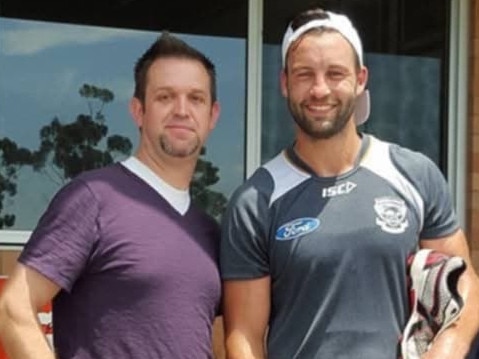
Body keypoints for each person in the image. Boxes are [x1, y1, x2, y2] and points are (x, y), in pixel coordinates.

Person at [220, 7, 479, 359]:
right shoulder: (255, 201)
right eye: (304, 74)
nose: (320, 89)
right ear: (284, 83)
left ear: (360, 79)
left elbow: (464, 285)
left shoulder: (413, 174)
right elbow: (244, 336)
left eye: (335, 73)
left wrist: (449, 347)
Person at [0, 33, 221, 358]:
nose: (182, 110)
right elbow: (14, 307)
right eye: (165, 97)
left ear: (212, 116)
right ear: (138, 111)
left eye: (196, 98)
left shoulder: (210, 232)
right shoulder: (94, 199)